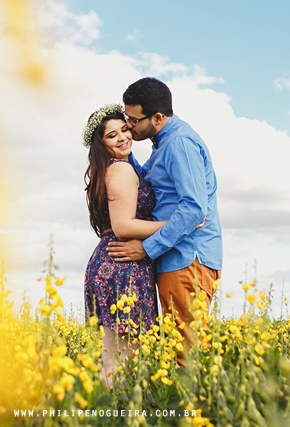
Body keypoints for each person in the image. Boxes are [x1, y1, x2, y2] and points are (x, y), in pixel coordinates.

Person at [107, 77, 222, 355]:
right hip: (176, 257)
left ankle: (195, 400)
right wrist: (121, 150)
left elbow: (194, 209)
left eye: (133, 121)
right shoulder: (163, 143)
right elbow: (148, 178)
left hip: (187, 258)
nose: (129, 127)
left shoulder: (179, 143)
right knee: (177, 346)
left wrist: (146, 249)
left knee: (187, 352)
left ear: (157, 117)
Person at [81, 103, 166, 387]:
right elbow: (123, 226)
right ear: (101, 144)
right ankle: (117, 415)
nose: (122, 138)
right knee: (122, 362)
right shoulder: (120, 170)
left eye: (124, 130)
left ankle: (111, 413)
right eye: (111, 135)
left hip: (115, 262)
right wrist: (177, 224)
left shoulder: (113, 168)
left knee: (115, 359)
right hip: (122, 266)